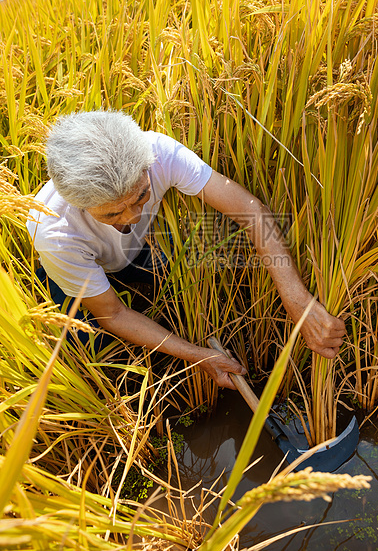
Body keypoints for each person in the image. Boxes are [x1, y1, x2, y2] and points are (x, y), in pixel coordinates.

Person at [27, 110, 346, 389]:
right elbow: (114, 313)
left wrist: (298, 300)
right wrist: (198, 357)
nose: (133, 217)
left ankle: (127, 270)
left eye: (141, 197)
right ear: (78, 204)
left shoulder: (157, 152)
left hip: (131, 251)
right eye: (112, 213)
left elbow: (251, 212)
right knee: (95, 351)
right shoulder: (54, 233)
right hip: (72, 270)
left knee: (175, 281)